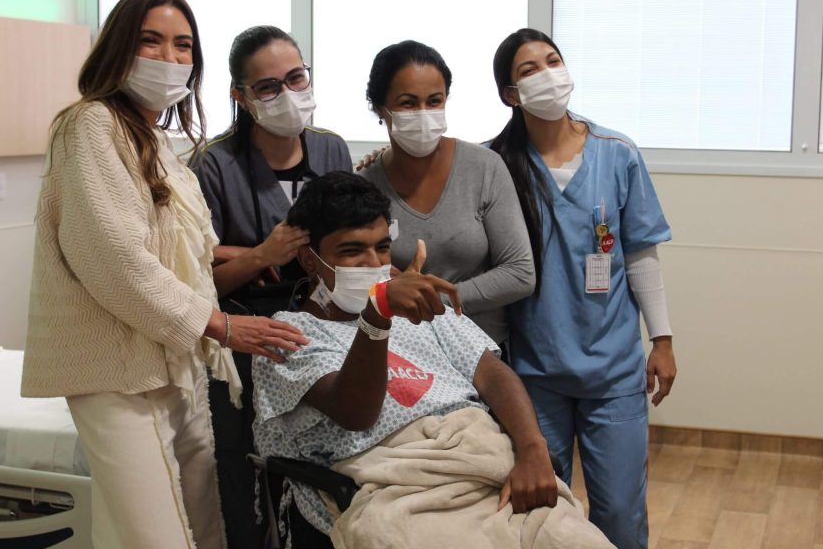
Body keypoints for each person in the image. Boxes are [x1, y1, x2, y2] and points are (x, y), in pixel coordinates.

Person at [20, 0, 307, 548]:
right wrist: (223, 325)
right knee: (157, 536)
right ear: (118, 47)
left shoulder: (152, 138)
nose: (169, 59)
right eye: (150, 42)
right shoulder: (90, 127)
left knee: (200, 521)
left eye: (183, 46)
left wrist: (221, 264)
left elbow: (172, 244)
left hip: (172, 362)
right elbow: (116, 261)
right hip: (118, 371)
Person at [252, 172, 613, 549]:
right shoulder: (285, 336)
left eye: (382, 248)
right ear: (310, 261)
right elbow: (355, 412)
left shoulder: (422, 309)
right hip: (397, 486)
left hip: (485, 461)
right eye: (351, 251)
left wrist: (533, 450)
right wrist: (377, 316)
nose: (373, 263)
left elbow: (492, 374)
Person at [488, 28, 677, 549]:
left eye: (554, 61)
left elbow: (640, 254)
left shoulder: (617, 154)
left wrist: (661, 340)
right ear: (510, 93)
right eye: (530, 69)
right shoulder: (495, 164)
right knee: (541, 516)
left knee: (619, 514)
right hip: (533, 374)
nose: (548, 75)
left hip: (612, 371)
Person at [193, 25, 351, 548]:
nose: (286, 94)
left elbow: (348, 246)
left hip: (319, 327)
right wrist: (262, 255)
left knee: (319, 458)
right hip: (241, 330)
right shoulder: (215, 165)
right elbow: (197, 284)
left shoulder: (331, 151)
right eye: (267, 87)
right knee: (242, 466)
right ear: (240, 96)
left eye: (295, 77)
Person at [358, 40, 534, 347]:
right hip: (402, 357)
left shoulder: (483, 168)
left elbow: (520, 273)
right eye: (408, 103)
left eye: (435, 101)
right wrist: (387, 291)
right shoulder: (363, 186)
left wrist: (428, 297)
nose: (424, 113)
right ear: (379, 108)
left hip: (482, 354)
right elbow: (353, 280)